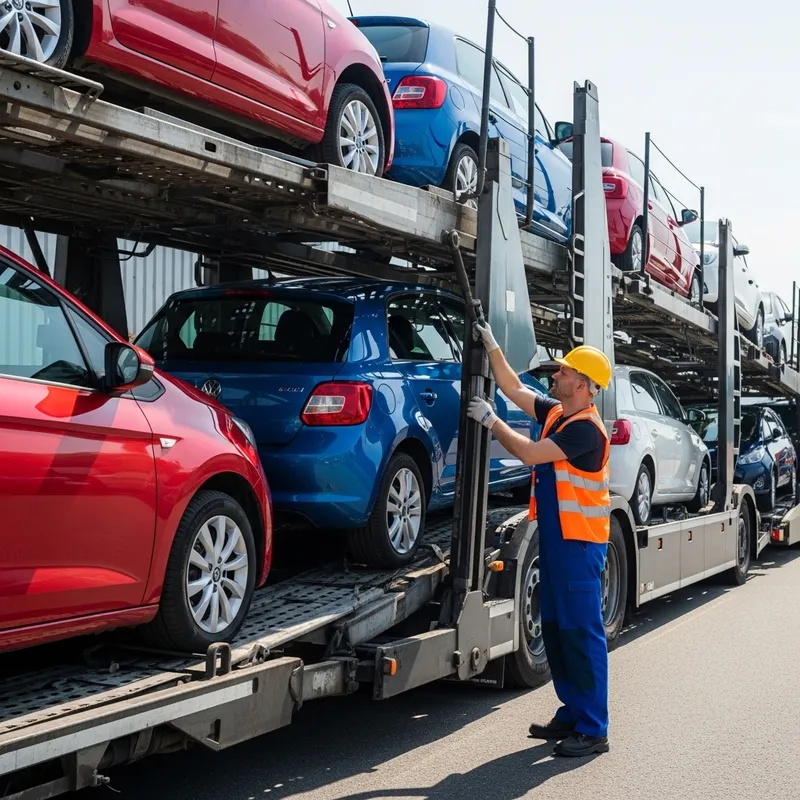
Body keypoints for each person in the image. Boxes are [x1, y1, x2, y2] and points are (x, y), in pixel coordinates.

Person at [467, 320, 613, 758]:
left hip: (580, 544)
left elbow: (530, 454)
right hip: (555, 539)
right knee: (555, 628)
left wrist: (492, 422)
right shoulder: (556, 412)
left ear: (584, 386)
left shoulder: (586, 430)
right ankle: (572, 710)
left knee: (581, 633)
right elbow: (512, 386)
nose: (555, 376)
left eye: (564, 373)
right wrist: (492, 345)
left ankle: (594, 728)